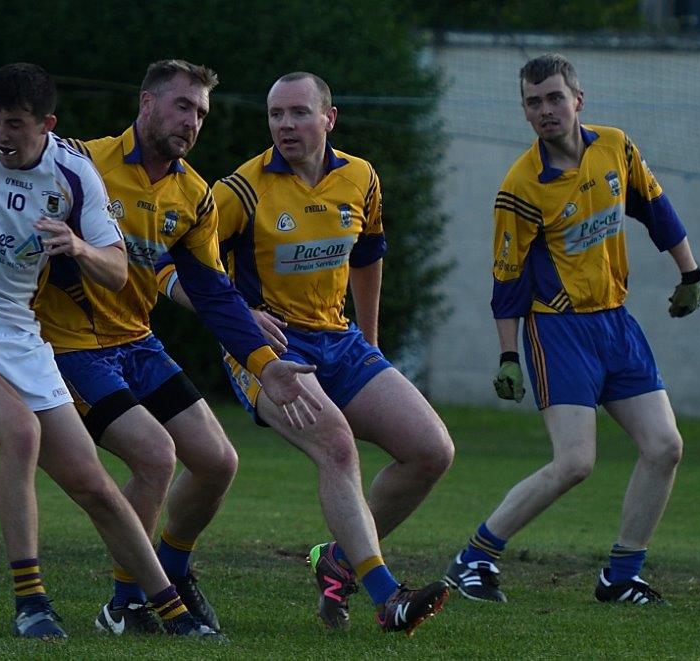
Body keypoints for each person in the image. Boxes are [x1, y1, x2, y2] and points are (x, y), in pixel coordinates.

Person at [0, 62, 223, 641]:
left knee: (93, 483)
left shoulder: (75, 174)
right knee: (21, 432)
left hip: (21, 336)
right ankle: (31, 603)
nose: (0, 135)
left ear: (47, 124)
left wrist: (79, 246)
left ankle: (170, 610)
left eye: (14, 123)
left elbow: (115, 270)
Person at [29, 59, 320, 635]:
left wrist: (264, 366)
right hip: (68, 348)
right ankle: (126, 602)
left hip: (136, 343)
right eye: (183, 106)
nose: (193, 121)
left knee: (217, 462)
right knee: (156, 456)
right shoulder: (79, 162)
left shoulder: (194, 194)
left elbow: (214, 294)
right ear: (146, 103)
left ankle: (171, 568)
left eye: (202, 113)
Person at [161, 71, 454, 634]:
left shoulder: (361, 177)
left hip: (340, 342)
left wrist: (369, 342)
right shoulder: (240, 190)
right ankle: (386, 595)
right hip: (268, 350)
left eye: (298, 113)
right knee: (337, 446)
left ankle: (339, 561)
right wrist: (240, 317)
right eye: (275, 115)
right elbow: (169, 264)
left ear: (329, 118)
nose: (285, 126)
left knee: (431, 451)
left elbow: (369, 255)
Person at [443, 53, 700, 605]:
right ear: (525, 111)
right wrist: (508, 355)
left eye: (554, 97)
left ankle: (620, 575)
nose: (545, 110)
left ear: (577, 100)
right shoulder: (521, 186)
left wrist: (690, 272)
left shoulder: (615, 146)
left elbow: (656, 210)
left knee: (665, 447)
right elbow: (507, 280)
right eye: (533, 102)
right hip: (557, 331)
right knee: (575, 462)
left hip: (616, 323)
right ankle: (474, 557)